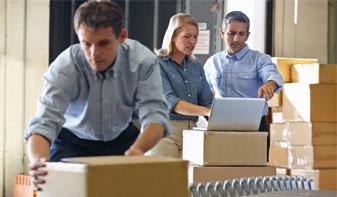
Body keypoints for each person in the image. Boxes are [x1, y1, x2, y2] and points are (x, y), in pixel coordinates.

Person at [24, 0, 169, 191]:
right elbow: (44, 123)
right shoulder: (65, 67)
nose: (94, 54)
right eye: (86, 44)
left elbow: (156, 117)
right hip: (72, 141)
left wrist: (138, 149)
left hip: (123, 141)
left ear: (122, 36)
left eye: (103, 43)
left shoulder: (142, 62)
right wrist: (39, 162)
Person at [204, 11, 283, 149]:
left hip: (254, 126)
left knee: (254, 170)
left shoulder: (260, 59)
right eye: (231, 33)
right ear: (222, 33)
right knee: (221, 169)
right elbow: (203, 93)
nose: (236, 39)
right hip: (220, 126)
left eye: (241, 34)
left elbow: (272, 74)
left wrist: (270, 84)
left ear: (248, 35)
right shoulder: (212, 62)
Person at [148, 13, 213, 158]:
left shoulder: (196, 66)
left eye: (195, 37)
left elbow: (207, 101)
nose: (192, 42)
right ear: (172, 37)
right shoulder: (156, 64)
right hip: (164, 135)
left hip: (192, 135)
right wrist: (207, 112)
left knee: (190, 180)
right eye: (187, 36)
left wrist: (221, 116)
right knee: (165, 180)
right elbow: (171, 102)